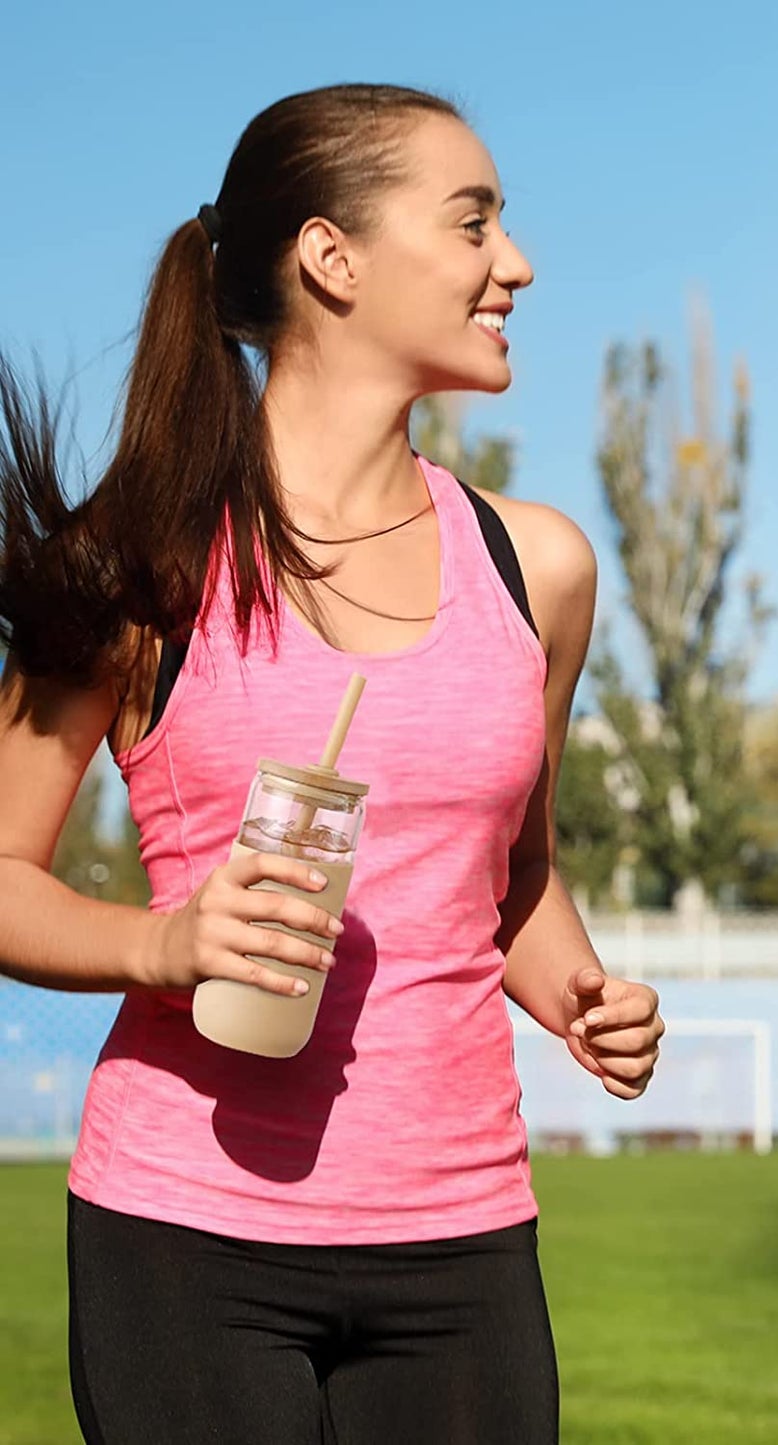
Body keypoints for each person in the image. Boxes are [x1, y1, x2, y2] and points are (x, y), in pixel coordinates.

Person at [0, 83, 663, 1445]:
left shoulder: (535, 568)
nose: (515, 263)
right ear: (332, 257)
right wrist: (168, 940)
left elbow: (512, 881)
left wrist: (584, 992)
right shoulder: (142, 561)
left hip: (463, 1233)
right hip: (186, 1235)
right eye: (472, 221)